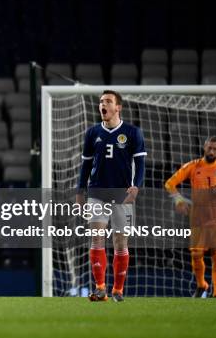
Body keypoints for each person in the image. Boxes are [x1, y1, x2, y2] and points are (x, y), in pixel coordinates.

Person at [76, 90, 147, 302]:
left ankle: (118, 289)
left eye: (108, 101)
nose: (102, 105)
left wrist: (136, 186)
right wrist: (80, 190)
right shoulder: (92, 133)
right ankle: (100, 287)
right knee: (96, 238)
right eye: (100, 102)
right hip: (96, 191)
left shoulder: (133, 133)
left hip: (121, 194)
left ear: (118, 107)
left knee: (120, 242)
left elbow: (141, 163)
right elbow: (86, 164)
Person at [164, 137, 216, 298]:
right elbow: (170, 183)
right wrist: (178, 200)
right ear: (204, 147)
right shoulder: (193, 166)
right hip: (198, 217)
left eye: (215, 149)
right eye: (209, 148)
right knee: (196, 254)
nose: (212, 151)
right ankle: (201, 285)